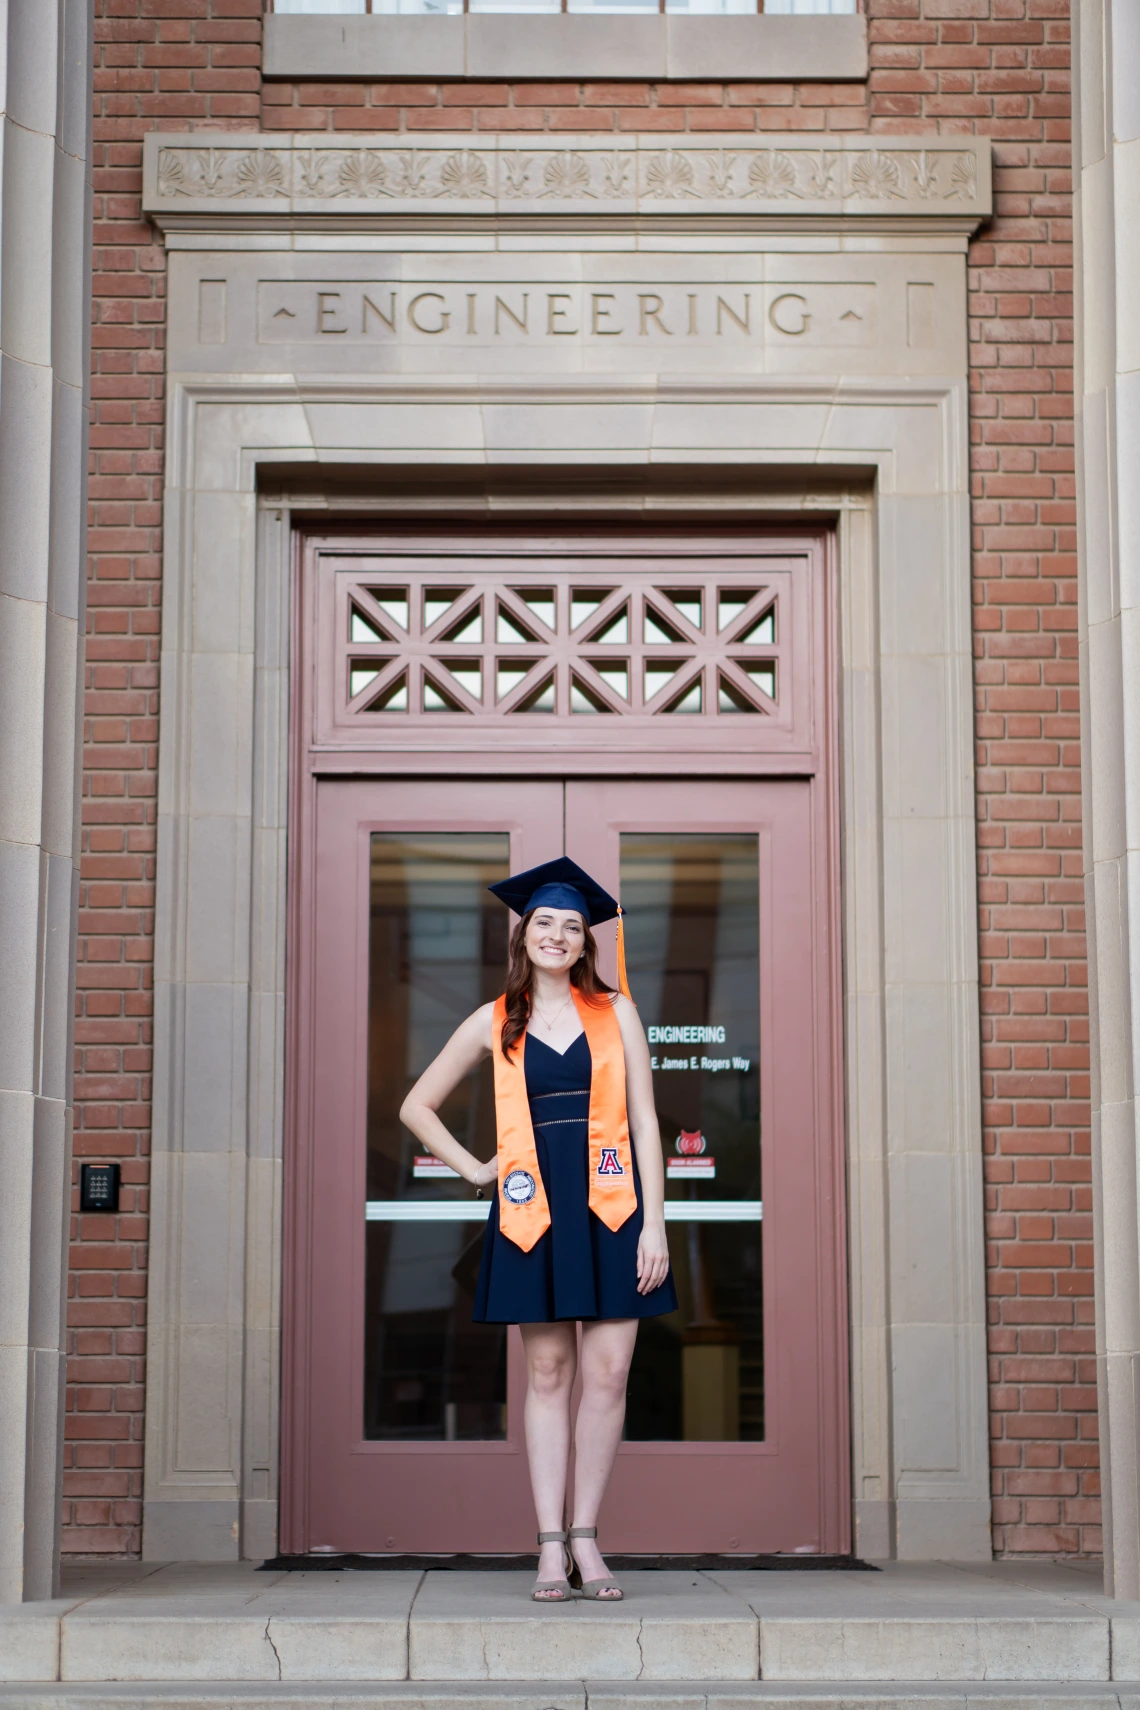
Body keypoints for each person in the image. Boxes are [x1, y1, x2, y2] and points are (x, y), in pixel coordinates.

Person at [399, 857, 677, 1602]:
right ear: (526, 938)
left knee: (610, 1374)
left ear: (587, 943)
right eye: (545, 923)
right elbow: (416, 1105)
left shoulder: (615, 1011)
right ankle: (549, 1546)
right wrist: (477, 1169)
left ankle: (587, 1537)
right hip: (534, 1211)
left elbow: (646, 1120)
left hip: (613, 1206)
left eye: (573, 926)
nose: (558, 935)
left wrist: (656, 1222)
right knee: (549, 1374)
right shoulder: (494, 1021)